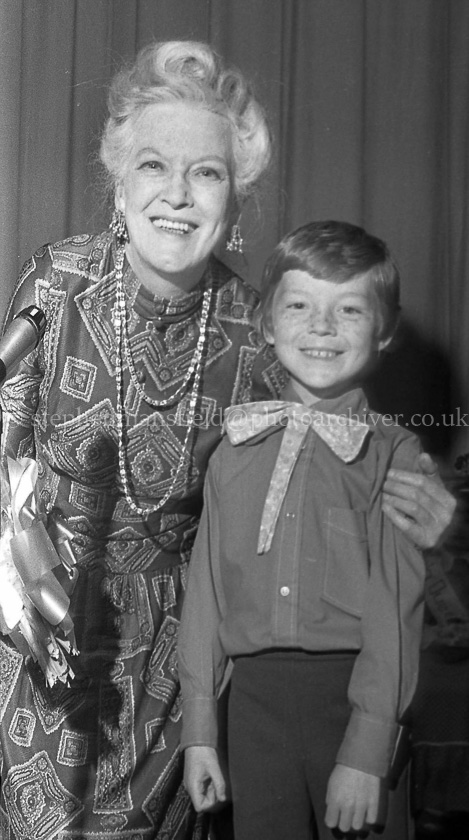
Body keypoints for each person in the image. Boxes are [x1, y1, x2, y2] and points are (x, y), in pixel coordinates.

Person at [0, 39, 454, 840]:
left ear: (235, 199)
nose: (177, 194)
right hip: (47, 631)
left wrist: (426, 519)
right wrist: (25, 596)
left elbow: (330, 480)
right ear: (118, 182)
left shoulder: (257, 328)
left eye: (205, 172)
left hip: (181, 663)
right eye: (153, 165)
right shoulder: (56, 280)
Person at [178, 220, 428, 840]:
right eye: (299, 306)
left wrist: (368, 749)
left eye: (349, 309)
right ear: (266, 322)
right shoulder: (232, 452)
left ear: (385, 330)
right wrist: (200, 732)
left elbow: (396, 612)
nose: (322, 326)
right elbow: (205, 600)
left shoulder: (396, 455)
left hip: (354, 699)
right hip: (253, 706)